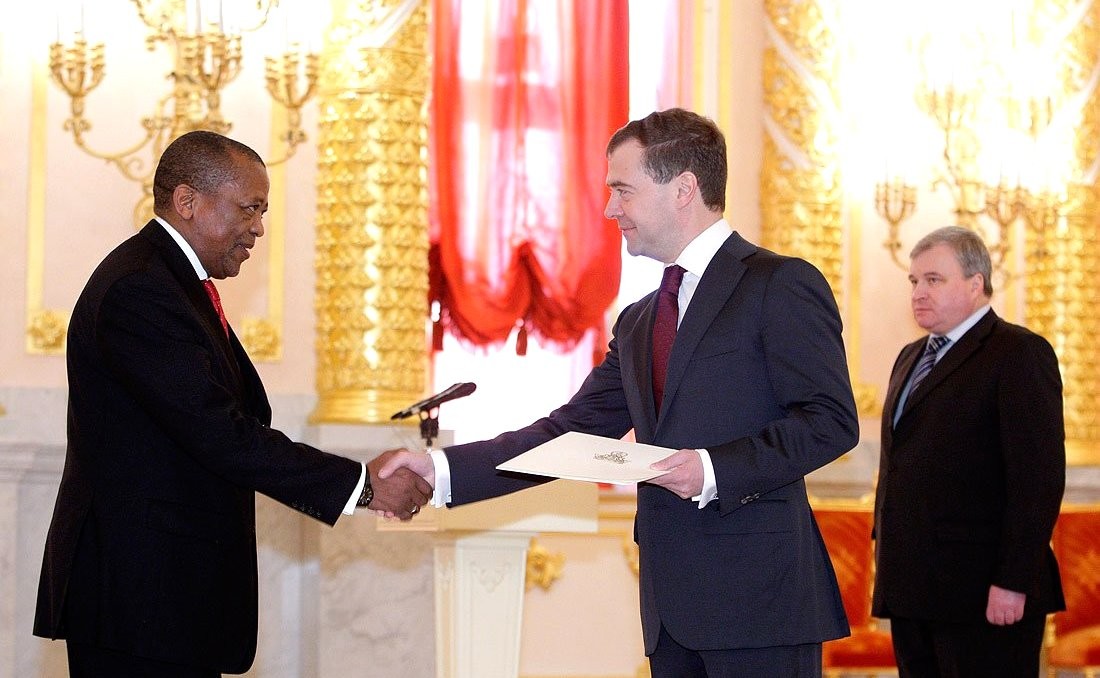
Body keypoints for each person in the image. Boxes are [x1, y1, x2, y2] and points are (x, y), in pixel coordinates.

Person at [380, 108, 859, 676]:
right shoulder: (637, 320)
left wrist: (709, 469)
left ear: (684, 189)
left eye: (622, 191)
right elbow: (566, 432)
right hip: (669, 610)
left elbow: (830, 420)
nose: (610, 209)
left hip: (760, 602)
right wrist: (442, 470)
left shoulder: (778, 284)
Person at [33, 130, 432, 678]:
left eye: (263, 211)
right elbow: (221, 433)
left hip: (166, 603)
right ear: (188, 201)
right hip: (138, 599)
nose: (258, 228)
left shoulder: (171, 283)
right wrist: (362, 484)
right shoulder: (141, 289)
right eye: (249, 208)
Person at [872, 226, 1065, 677]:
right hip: (913, 588)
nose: (918, 292)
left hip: (984, 593)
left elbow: (1037, 481)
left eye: (933, 280)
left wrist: (1012, 581)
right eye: (914, 281)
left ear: (976, 284)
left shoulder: (1018, 352)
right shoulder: (910, 356)